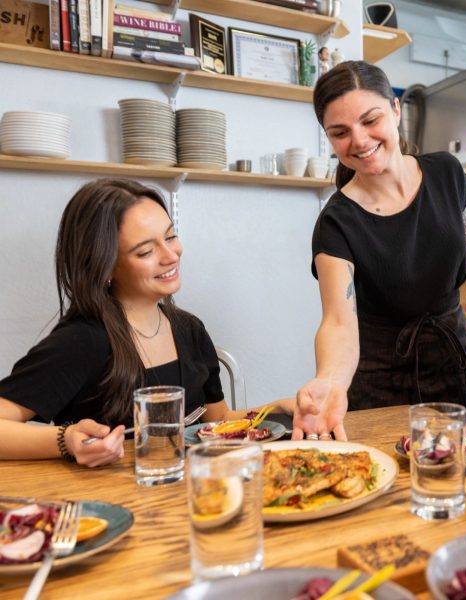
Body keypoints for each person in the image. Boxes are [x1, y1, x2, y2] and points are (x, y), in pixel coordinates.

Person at [0, 178, 295, 467]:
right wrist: (64, 440)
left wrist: (280, 408)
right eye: (145, 251)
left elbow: (216, 422)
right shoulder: (81, 340)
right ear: (104, 265)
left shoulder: (189, 330)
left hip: (197, 497)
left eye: (170, 237)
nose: (171, 255)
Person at [294, 61, 466, 441]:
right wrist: (330, 382)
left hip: (450, 358)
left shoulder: (446, 171)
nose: (358, 140)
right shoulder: (337, 223)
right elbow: (339, 322)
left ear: (395, 109)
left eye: (370, 120)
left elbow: (463, 225)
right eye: (340, 132)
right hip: (380, 380)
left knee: (453, 472)